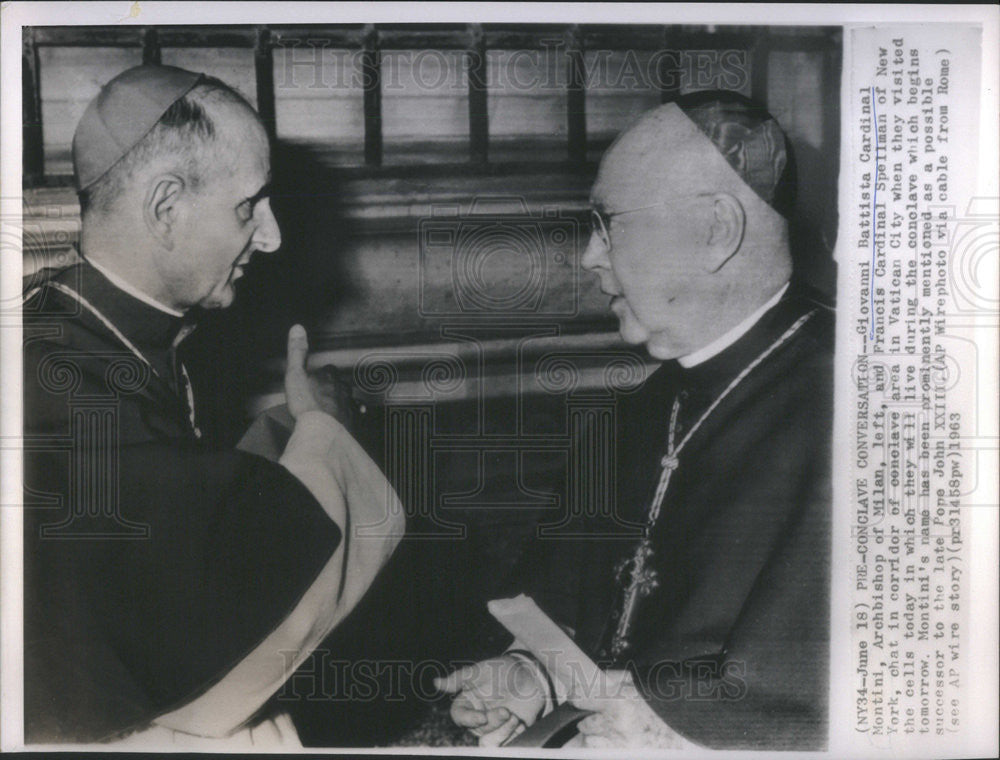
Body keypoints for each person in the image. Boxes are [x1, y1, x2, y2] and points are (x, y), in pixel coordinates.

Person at [436, 91, 833, 750]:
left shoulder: (863, 406)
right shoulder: (646, 404)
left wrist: (671, 724)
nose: (590, 256)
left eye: (607, 222)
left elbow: (831, 685)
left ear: (716, 231)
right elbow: (591, 598)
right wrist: (533, 673)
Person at [22, 65, 404, 746]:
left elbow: (174, 513)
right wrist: (326, 433)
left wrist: (288, 428)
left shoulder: (105, 333)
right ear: (166, 208)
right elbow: (213, 614)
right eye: (248, 207)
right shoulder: (50, 379)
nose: (271, 236)